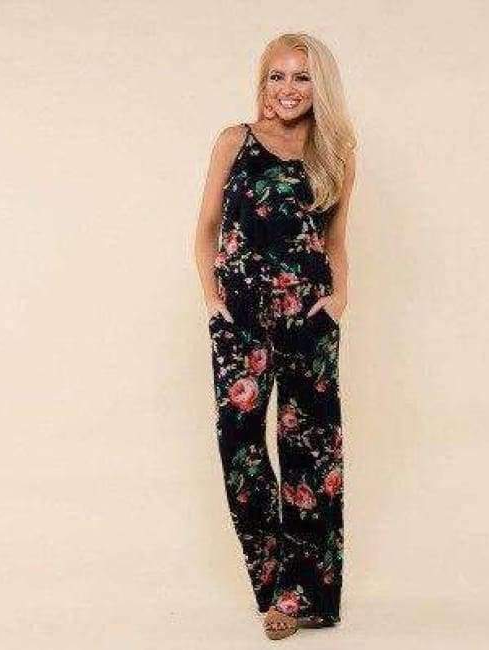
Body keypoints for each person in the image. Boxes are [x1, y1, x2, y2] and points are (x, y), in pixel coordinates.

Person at [194, 32, 357, 640]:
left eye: (301, 76)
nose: (287, 88)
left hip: (308, 320)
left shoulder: (336, 152)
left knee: (312, 451)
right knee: (240, 444)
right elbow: (206, 230)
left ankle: (302, 596)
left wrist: (338, 300)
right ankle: (273, 583)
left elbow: (336, 241)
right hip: (239, 318)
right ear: (263, 82)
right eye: (276, 76)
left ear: (321, 86)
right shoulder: (233, 140)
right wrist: (213, 301)